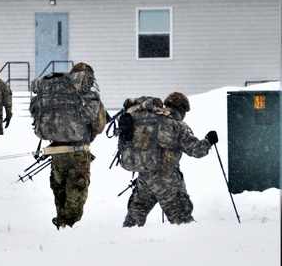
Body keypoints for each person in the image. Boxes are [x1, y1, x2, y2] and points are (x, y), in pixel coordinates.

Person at [122, 92, 217, 227]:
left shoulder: (147, 121)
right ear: (182, 109)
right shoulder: (177, 125)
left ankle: (122, 243)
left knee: (135, 217)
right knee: (182, 221)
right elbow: (196, 150)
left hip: (145, 178)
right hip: (167, 181)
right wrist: (209, 141)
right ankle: (191, 246)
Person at [41, 62, 108, 229]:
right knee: (76, 193)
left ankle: (62, 224)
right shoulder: (89, 98)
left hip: (57, 152)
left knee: (60, 191)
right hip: (78, 153)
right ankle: (68, 228)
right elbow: (99, 125)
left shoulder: (56, 95)